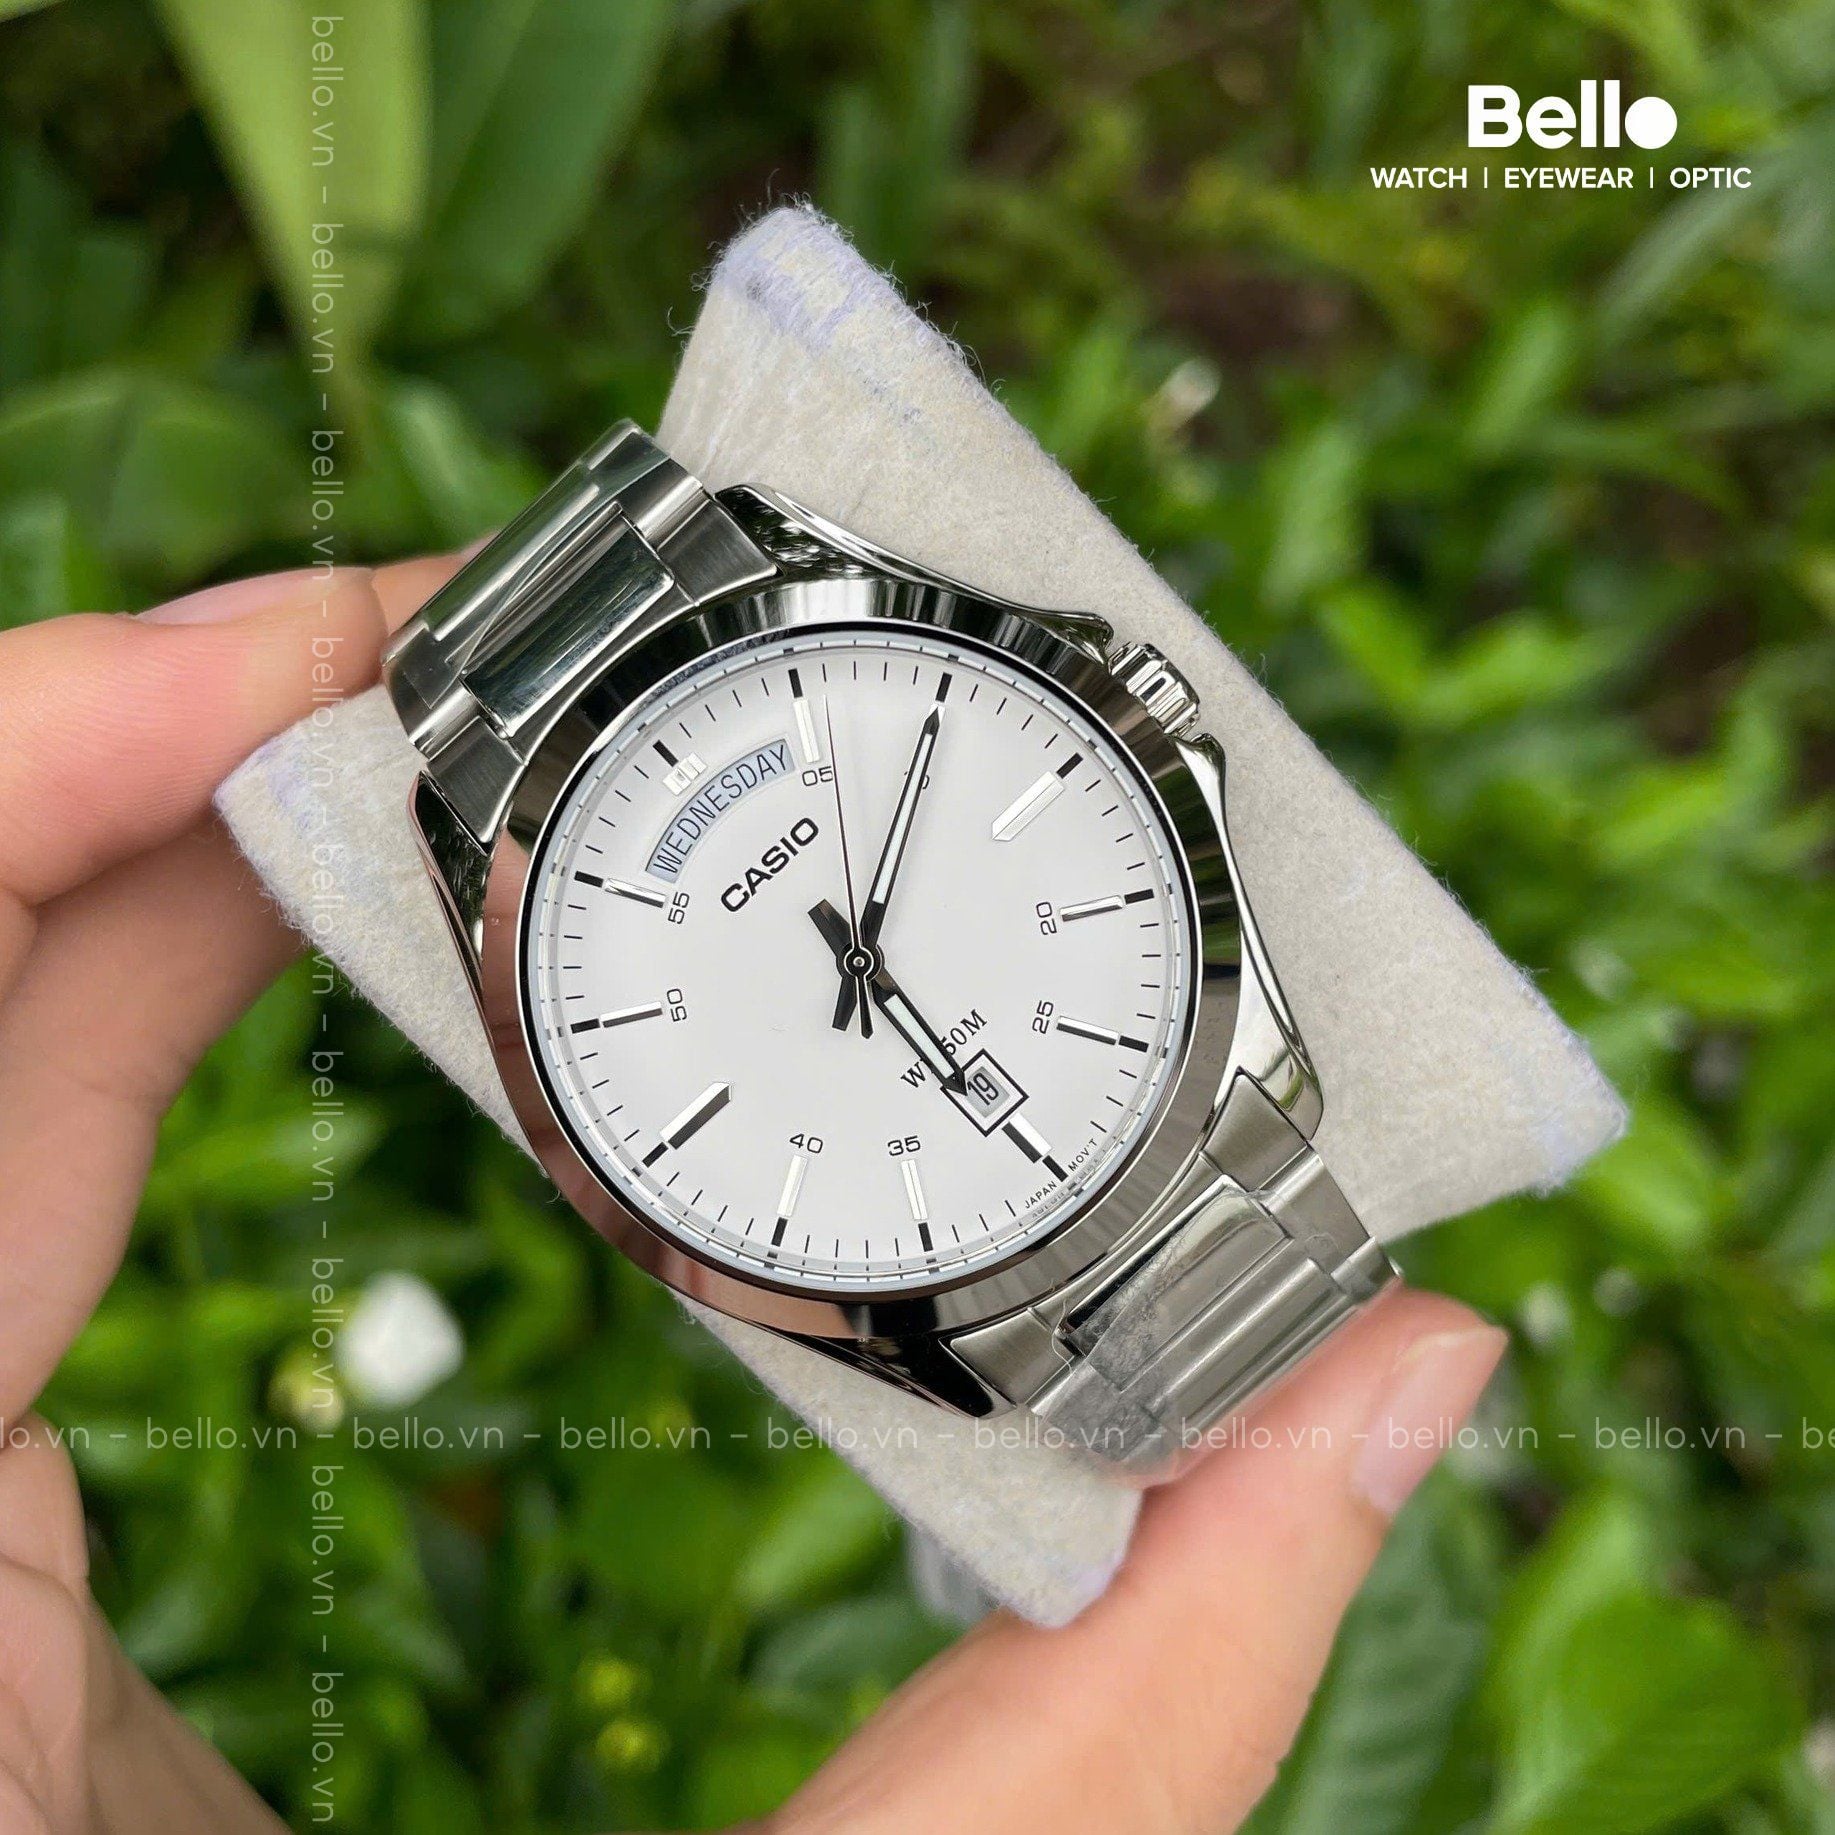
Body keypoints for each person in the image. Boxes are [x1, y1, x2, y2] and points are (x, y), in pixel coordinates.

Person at [0, 563, 1507, 1833]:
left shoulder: (771, 606)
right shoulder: (525, 939)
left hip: (1179, 1091)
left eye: (853, 944)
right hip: (1009, 1276)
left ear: (1132, 712)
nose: (855, 956)